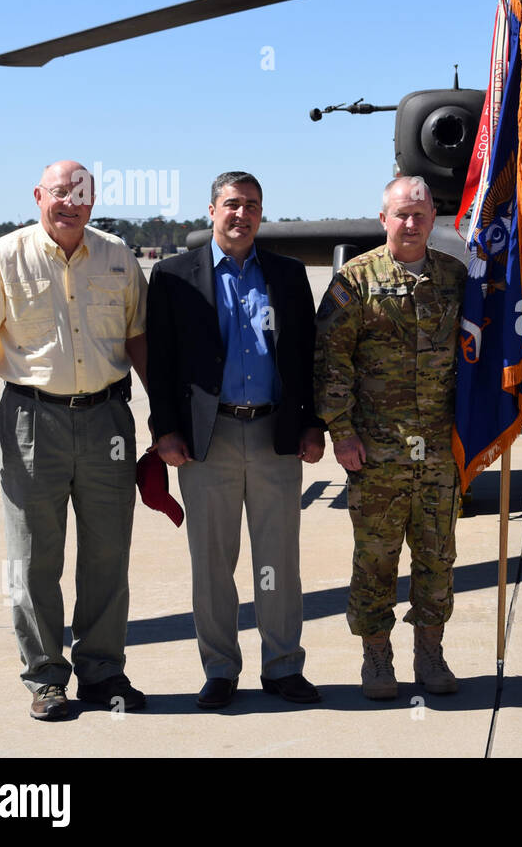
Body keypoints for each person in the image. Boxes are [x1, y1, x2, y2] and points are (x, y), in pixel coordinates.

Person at [0, 160, 149, 721]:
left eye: (81, 195)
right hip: (32, 420)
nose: (70, 204)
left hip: (108, 421)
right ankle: (45, 677)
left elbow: (138, 337)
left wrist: (165, 413)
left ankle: (102, 671)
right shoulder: (2, 258)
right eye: (60, 193)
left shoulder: (117, 256)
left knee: (108, 553)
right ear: (39, 196)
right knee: (34, 557)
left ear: (93, 202)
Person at [146, 171, 325, 710]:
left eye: (251, 205)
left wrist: (313, 424)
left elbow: (307, 355)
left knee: (279, 560)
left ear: (261, 214)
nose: (241, 214)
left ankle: (283, 665)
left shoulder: (288, 275)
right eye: (232, 204)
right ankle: (220, 669)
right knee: (211, 563)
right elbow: (160, 360)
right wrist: (164, 430)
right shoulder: (174, 276)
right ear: (211, 210)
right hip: (208, 438)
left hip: (275, 434)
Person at [314, 176, 466, 700]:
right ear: (384, 219)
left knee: (437, 558)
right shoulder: (355, 280)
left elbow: (478, 354)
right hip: (377, 451)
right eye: (401, 214)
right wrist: (342, 433)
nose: (411, 223)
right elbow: (330, 361)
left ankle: (431, 653)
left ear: (433, 219)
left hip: (440, 451)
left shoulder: (454, 278)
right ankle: (376, 656)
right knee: (375, 559)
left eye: (420, 214)